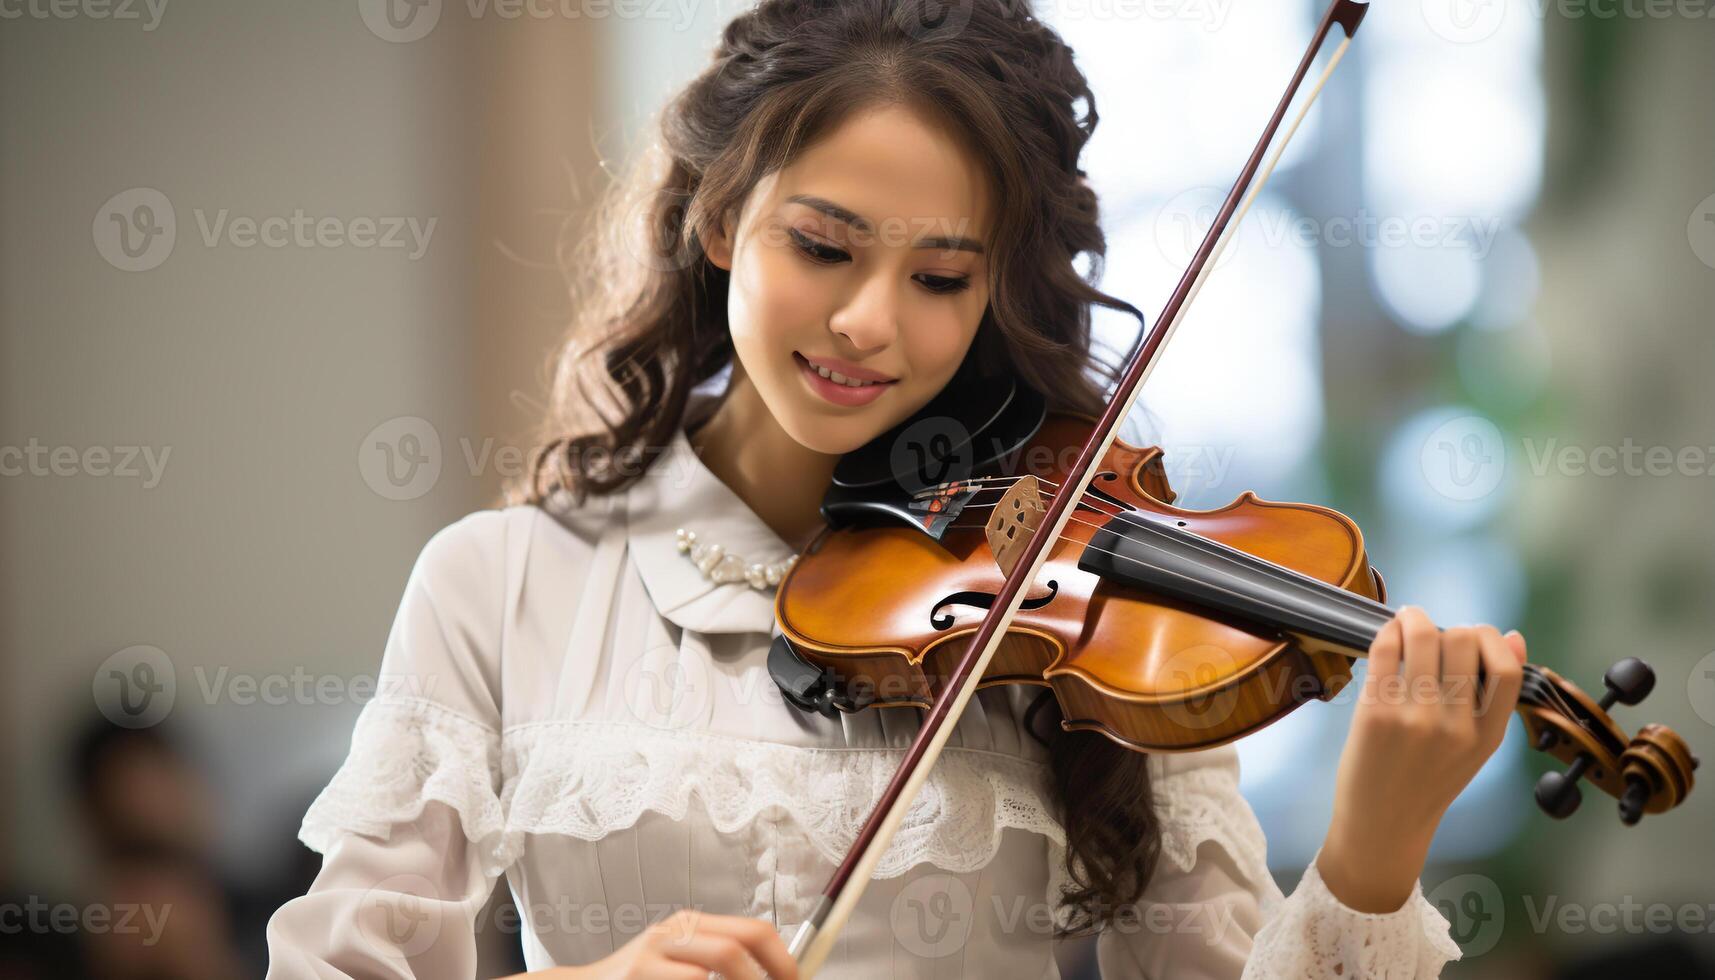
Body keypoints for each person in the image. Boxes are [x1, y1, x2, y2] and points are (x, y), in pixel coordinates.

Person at [265, 1, 1528, 976]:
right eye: (821, 246)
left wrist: (1372, 847)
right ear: (716, 220)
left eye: (940, 277)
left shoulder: (1079, 616)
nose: (869, 322)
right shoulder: (500, 584)